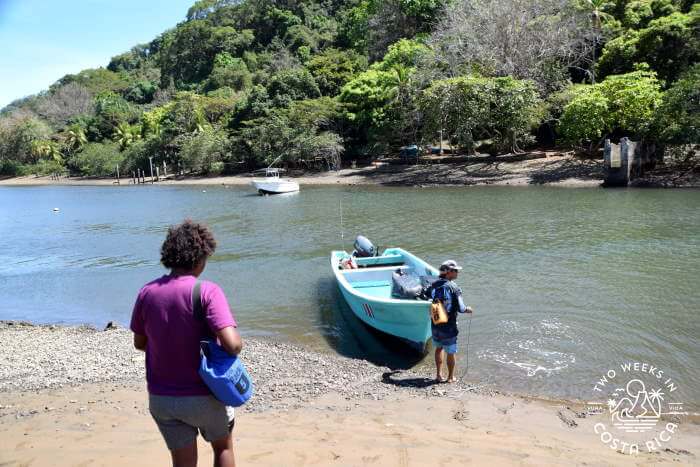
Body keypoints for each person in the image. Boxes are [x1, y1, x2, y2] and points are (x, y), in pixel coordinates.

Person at [130, 219, 242, 467]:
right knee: (223, 447)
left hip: (162, 398)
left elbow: (140, 342)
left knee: (183, 463)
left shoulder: (147, 292)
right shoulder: (207, 291)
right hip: (204, 394)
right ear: (201, 258)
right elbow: (232, 344)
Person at [429, 260, 472, 383]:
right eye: (455, 270)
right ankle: (450, 377)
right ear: (448, 272)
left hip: (436, 322)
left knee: (439, 348)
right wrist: (468, 309)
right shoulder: (454, 287)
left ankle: (438, 375)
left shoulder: (434, 285)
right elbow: (461, 308)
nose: (457, 272)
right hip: (448, 326)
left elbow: (430, 298)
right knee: (451, 351)